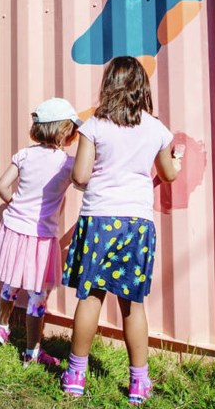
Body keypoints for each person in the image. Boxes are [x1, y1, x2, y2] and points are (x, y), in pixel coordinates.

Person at [59, 57, 181, 405]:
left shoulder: (94, 125)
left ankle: (75, 376)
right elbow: (169, 174)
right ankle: (139, 383)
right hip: (136, 223)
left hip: (99, 218)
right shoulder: (156, 128)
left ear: (109, 85)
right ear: (142, 88)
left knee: (91, 297)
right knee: (133, 305)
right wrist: (178, 162)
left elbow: (80, 176)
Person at [0, 98, 80, 367]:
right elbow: (85, 183)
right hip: (41, 237)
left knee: (11, 283)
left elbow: (2, 186)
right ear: (64, 131)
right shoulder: (66, 164)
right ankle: (32, 352)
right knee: (37, 296)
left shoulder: (25, 155)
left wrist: (17, 205)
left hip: (14, 229)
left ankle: (1, 328)